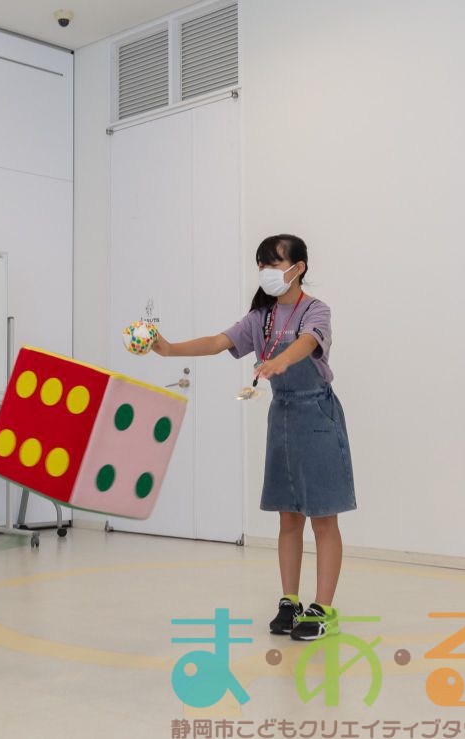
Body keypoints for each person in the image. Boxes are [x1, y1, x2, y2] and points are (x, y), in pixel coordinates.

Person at [151, 234, 355, 641]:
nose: (266, 272)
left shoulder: (316, 310)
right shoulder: (260, 317)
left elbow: (308, 342)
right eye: (261, 264)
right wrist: (169, 349)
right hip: (282, 417)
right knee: (288, 515)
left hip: (317, 414)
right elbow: (218, 342)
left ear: (298, 268)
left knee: (323, 517)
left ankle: (324, 609)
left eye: (274, 264)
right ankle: (290, 601)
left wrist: (280, 360)